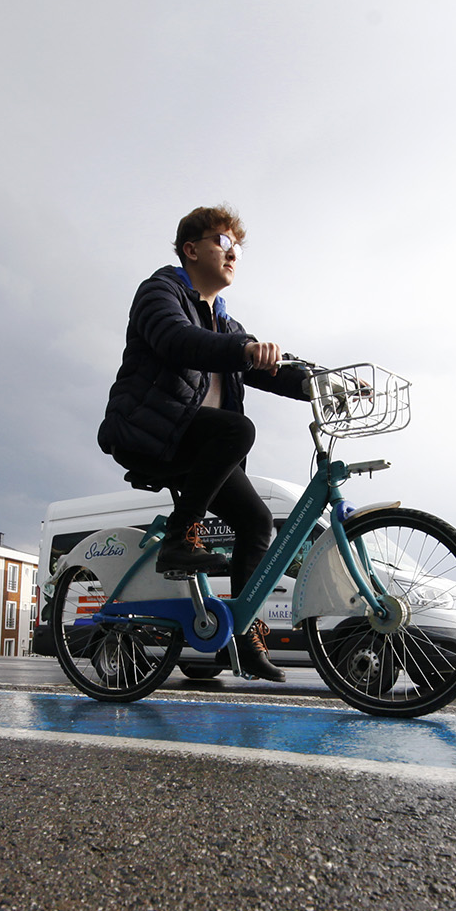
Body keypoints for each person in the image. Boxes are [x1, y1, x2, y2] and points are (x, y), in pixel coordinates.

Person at [97, 204, 307, 682]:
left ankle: (241, 637)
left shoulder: (227, 325)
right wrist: (243, 352)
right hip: (149, 434)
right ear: (192, 250)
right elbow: (176, 340)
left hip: (196, 443)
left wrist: (323, 382)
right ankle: (178, 539)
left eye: (237, 247)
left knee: (256, 522)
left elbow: (270, 368)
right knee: (237, 429)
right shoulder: (160, 291)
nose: (233, 253)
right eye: (223, 242)